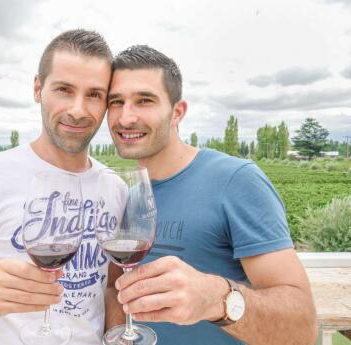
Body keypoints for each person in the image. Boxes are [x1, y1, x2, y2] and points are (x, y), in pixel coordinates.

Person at [106, 45, 318, 344]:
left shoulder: (236, 180)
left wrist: (215, 299)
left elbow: (303, 328)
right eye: (116, 102)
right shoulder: (128, 193)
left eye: (144, 100)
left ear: (177, 112)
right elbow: (115, 288)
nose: (126, 118)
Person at [0, 29, 120, 345]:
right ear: (38, 89)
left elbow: (111, 288)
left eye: (94, 94)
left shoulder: (115, 188)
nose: (77, 109)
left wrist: (117, 335)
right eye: (64, 89)